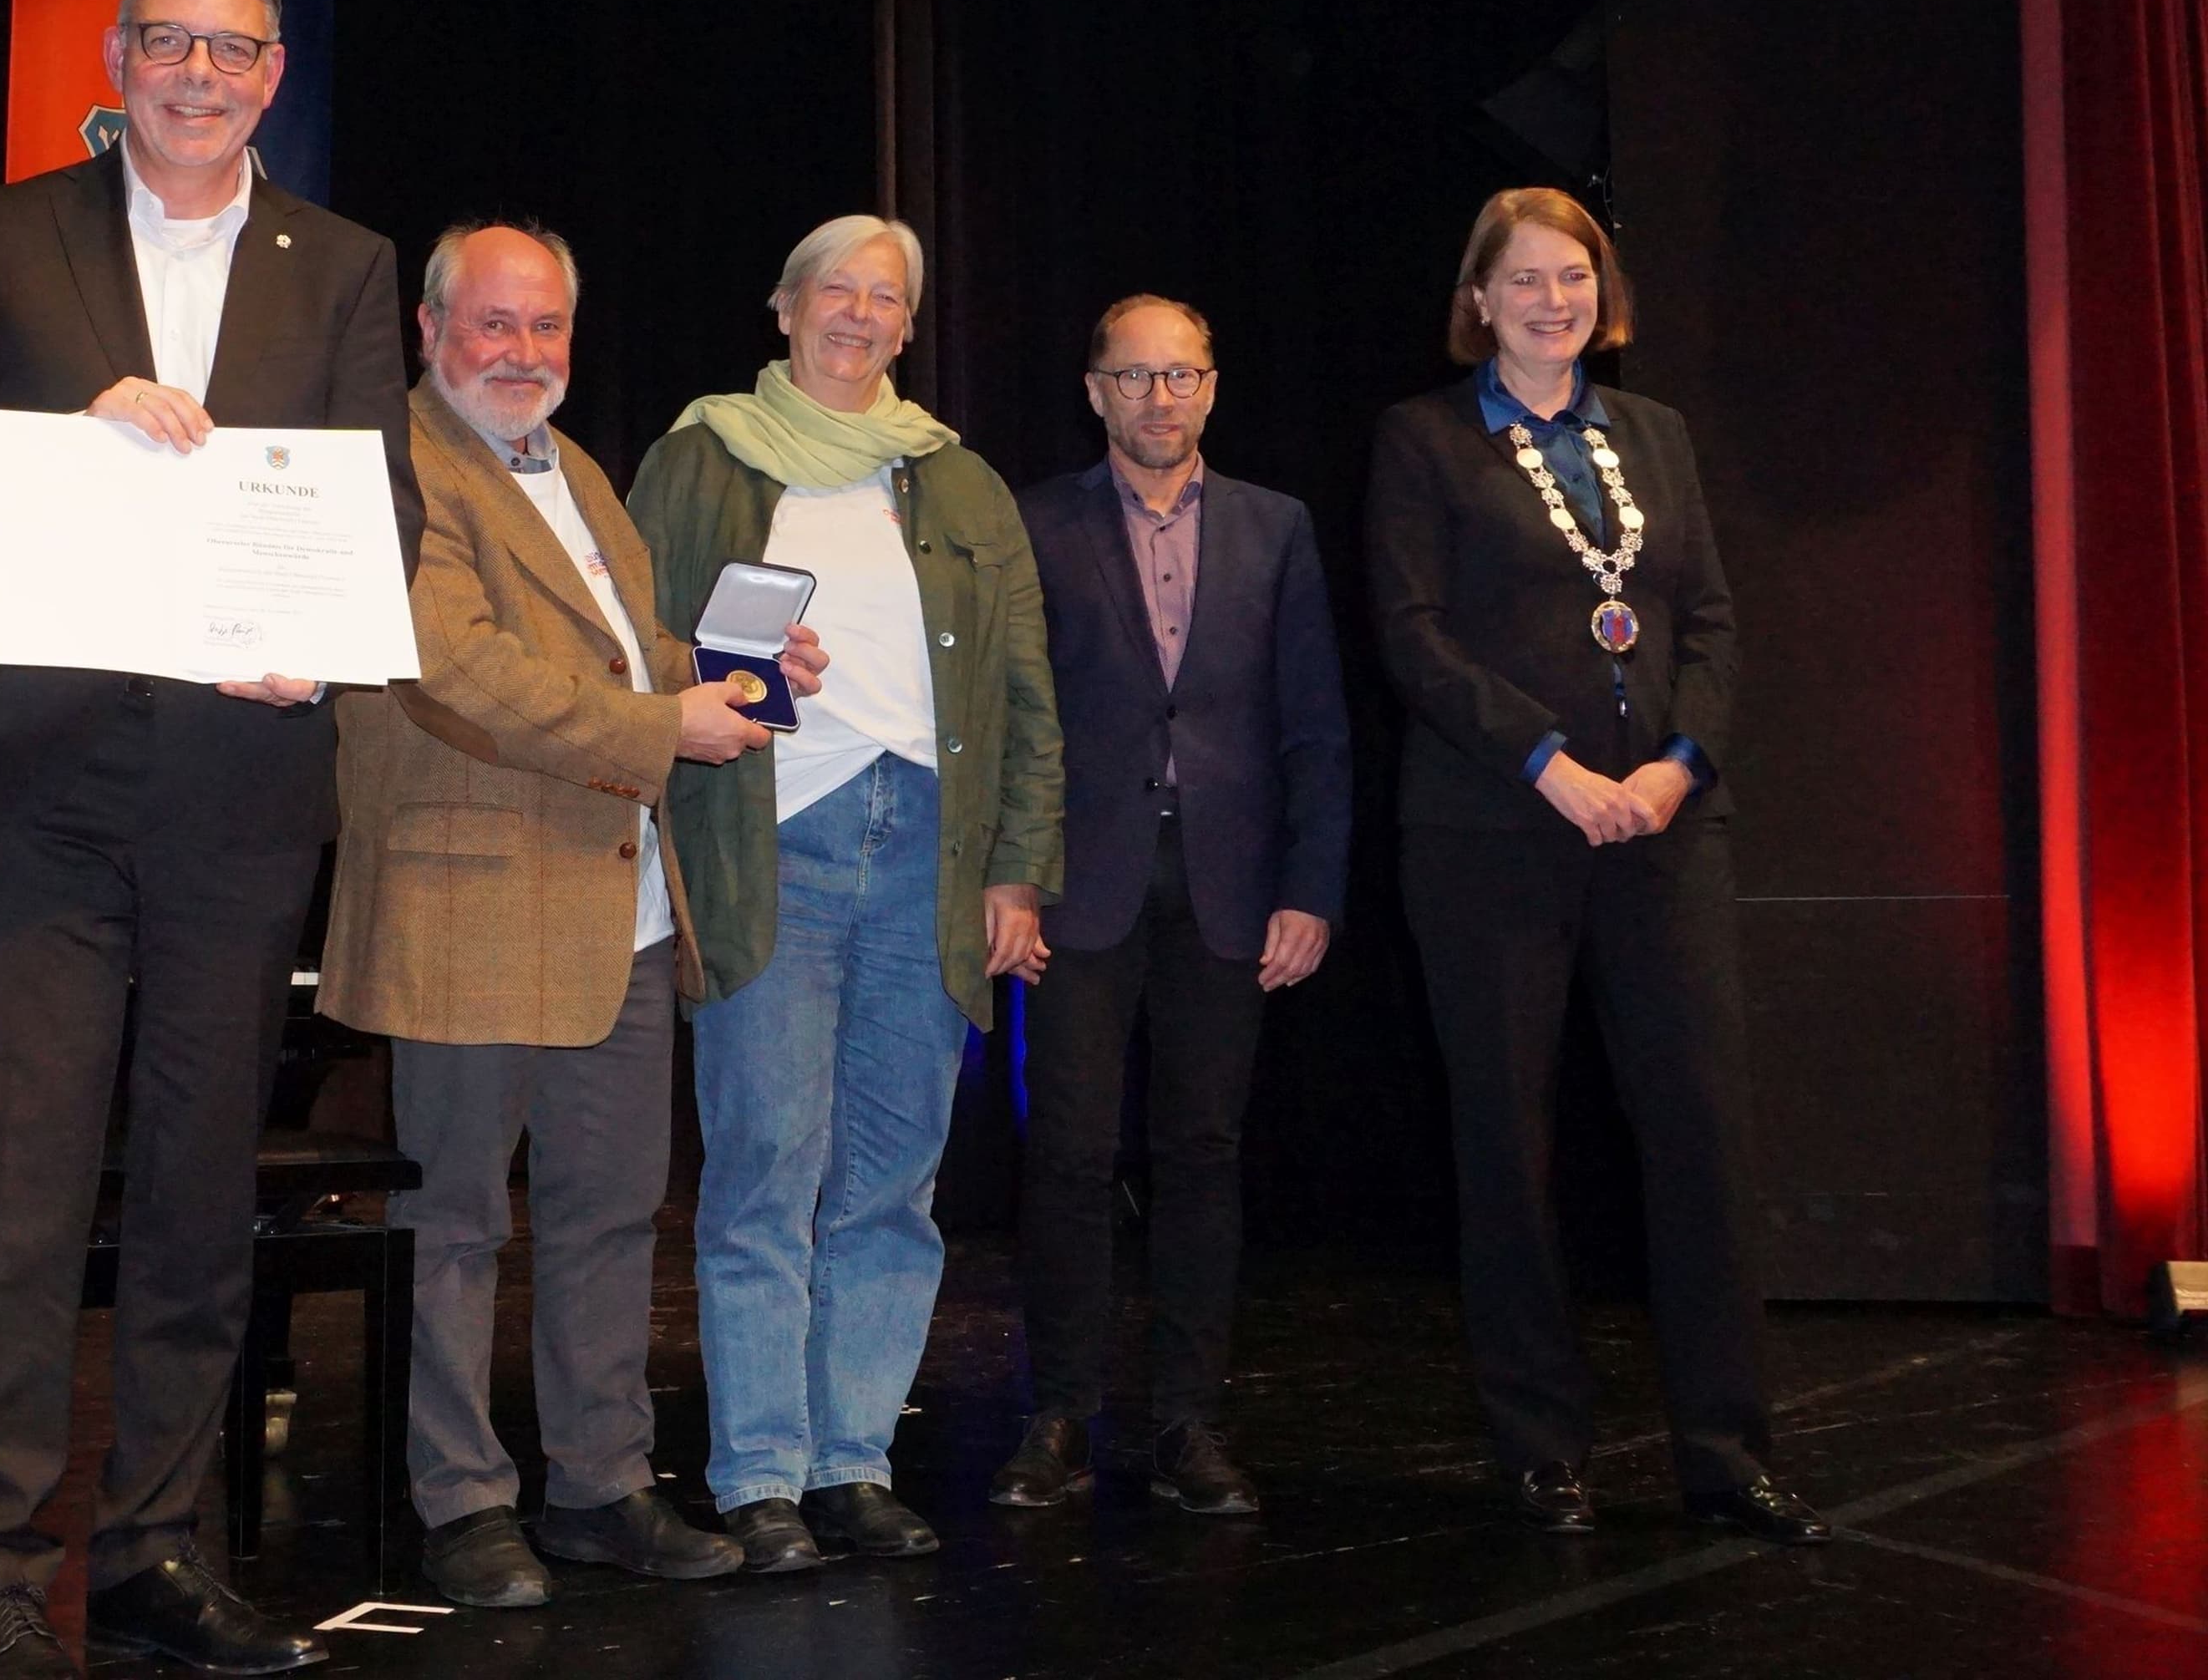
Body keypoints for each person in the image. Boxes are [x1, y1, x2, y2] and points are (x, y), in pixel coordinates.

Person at [0, 0, 422, 1678]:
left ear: (276, 72)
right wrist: (74, 419)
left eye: (235, 48)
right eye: (169, 44)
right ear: (120, 61)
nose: (200, 75)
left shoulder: (347, 266)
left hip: (241, 779)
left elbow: (380, 506)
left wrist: (321, 636)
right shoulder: (5, 229)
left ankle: (155, 1549)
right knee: (20, 1180)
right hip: (48, 779)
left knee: (202, 1185)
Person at [320, 221, 825, 1606]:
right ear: (431, 331)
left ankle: (601, 1483)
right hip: (470, 895)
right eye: (494, 324)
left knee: (610, 1215)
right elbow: (454, 671)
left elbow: (623, 648)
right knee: (457, 1222)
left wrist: (735, 667)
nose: (523, 353)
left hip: (622, 905)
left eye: (545, 328)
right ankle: (464, 1498)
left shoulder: (576, 467)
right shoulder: (403, 465)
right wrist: (668, 720)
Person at [1365, 187, 1826, 1545]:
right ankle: (1538, 1447)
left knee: (1702, 1132)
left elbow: (1715, 620)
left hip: (1664, 830)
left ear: (1600, 290)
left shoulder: (1659, 435)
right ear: (1480, 298)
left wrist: (1678, 764)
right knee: (1511, 1143)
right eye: (1523, 281)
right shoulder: (1423, 439)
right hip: (1494, 836)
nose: (1552, 301)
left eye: (1573, 277)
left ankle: (1726, 1448)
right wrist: (1551, 764)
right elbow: (1411, 634)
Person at [627, 214, 1063, 1572]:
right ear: (783, 306)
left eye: (887, 298)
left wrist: (1017, 868)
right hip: (776, 846)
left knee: (892, 1177)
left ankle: (852, 1457)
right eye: (837, 291)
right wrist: (715, 651)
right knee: (765, 1167)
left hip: (928, 854)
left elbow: (1025, 697)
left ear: (908, 325)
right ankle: (759, 1471)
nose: (860, 315)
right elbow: (624, 641)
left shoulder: (960, 482)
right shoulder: (700, 457)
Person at [990, 294, 1351, 1517]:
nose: (1161, 398)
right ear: (1094, 390)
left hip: (1230, 890)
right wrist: (1012, 873)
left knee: (1204, 1156)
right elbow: (1007, 723)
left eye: (1182, 375)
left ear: (1213, 386)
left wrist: (1311, 888)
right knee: (1070, 1158)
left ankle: (1190, 1424)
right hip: (1074, 892)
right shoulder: (1032, 524)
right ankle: (1061, 1416)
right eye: (1135, 376)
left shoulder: (1277, 528)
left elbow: (1316, 726)